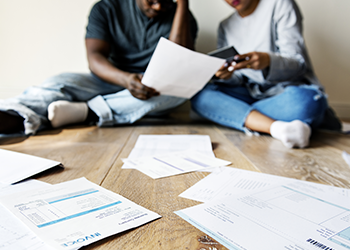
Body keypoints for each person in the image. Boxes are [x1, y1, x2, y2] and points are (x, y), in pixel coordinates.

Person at [0, 0, 198, 136]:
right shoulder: (106, 8)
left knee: (179, 89)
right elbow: (95, 58)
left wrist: (183, 4)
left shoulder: (183, 17)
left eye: (166, 1)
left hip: (151, 90)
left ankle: (87, 112)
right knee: (59, 82)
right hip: (109, 79)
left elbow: (178, 61)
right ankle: (12, 115)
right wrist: (125, 79)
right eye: (152, 0)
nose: (159, 6)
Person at [191, 0, 341, 148]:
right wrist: (227, 76)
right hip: (249, 92)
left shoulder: (280, 4)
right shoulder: (225, 26)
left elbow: (298, 64)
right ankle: (278, 128)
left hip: (283, 92)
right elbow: (238, 77)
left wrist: (268, 61)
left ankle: (239, 114)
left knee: (308, 101)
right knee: (200, 95)